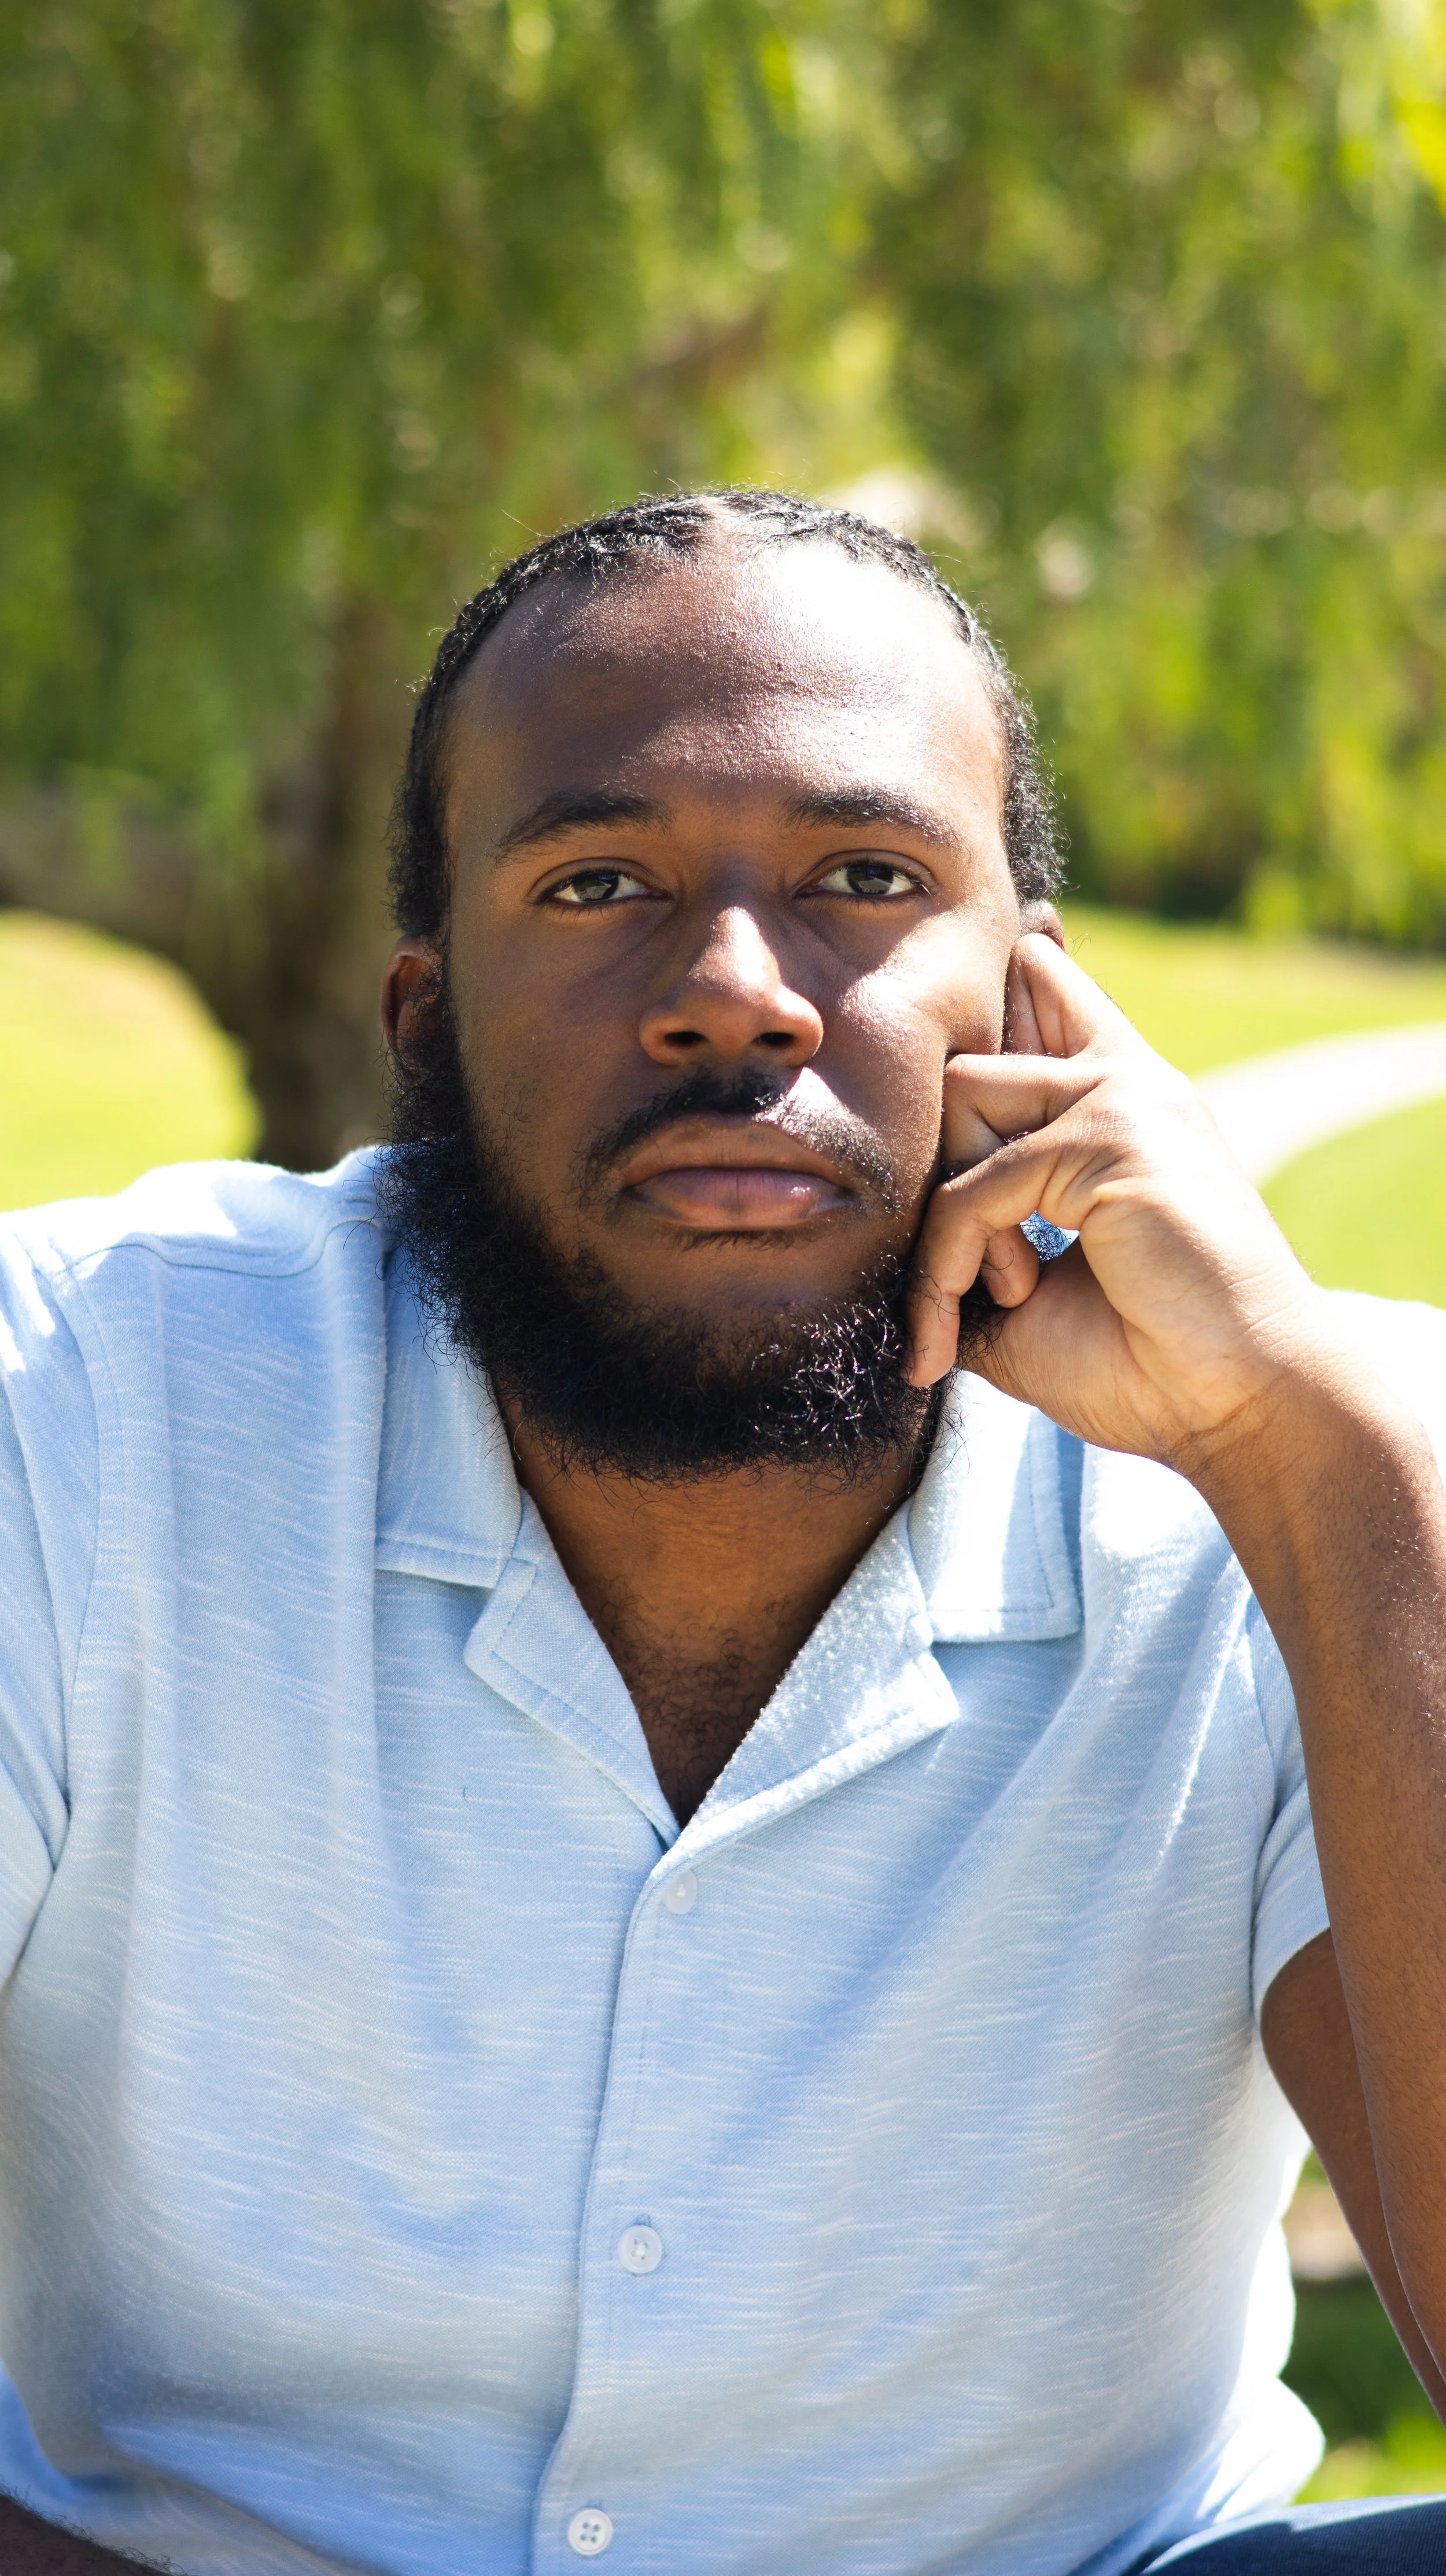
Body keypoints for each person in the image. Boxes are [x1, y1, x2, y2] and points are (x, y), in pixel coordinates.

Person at [1, 489, 1445, 2576]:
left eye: (864, 879)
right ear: (427, 1029)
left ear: (1037, 1018)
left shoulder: (1321, 1476)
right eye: (598, 883)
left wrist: (1316, 1466)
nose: (738, 995)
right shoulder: (80, 1398)